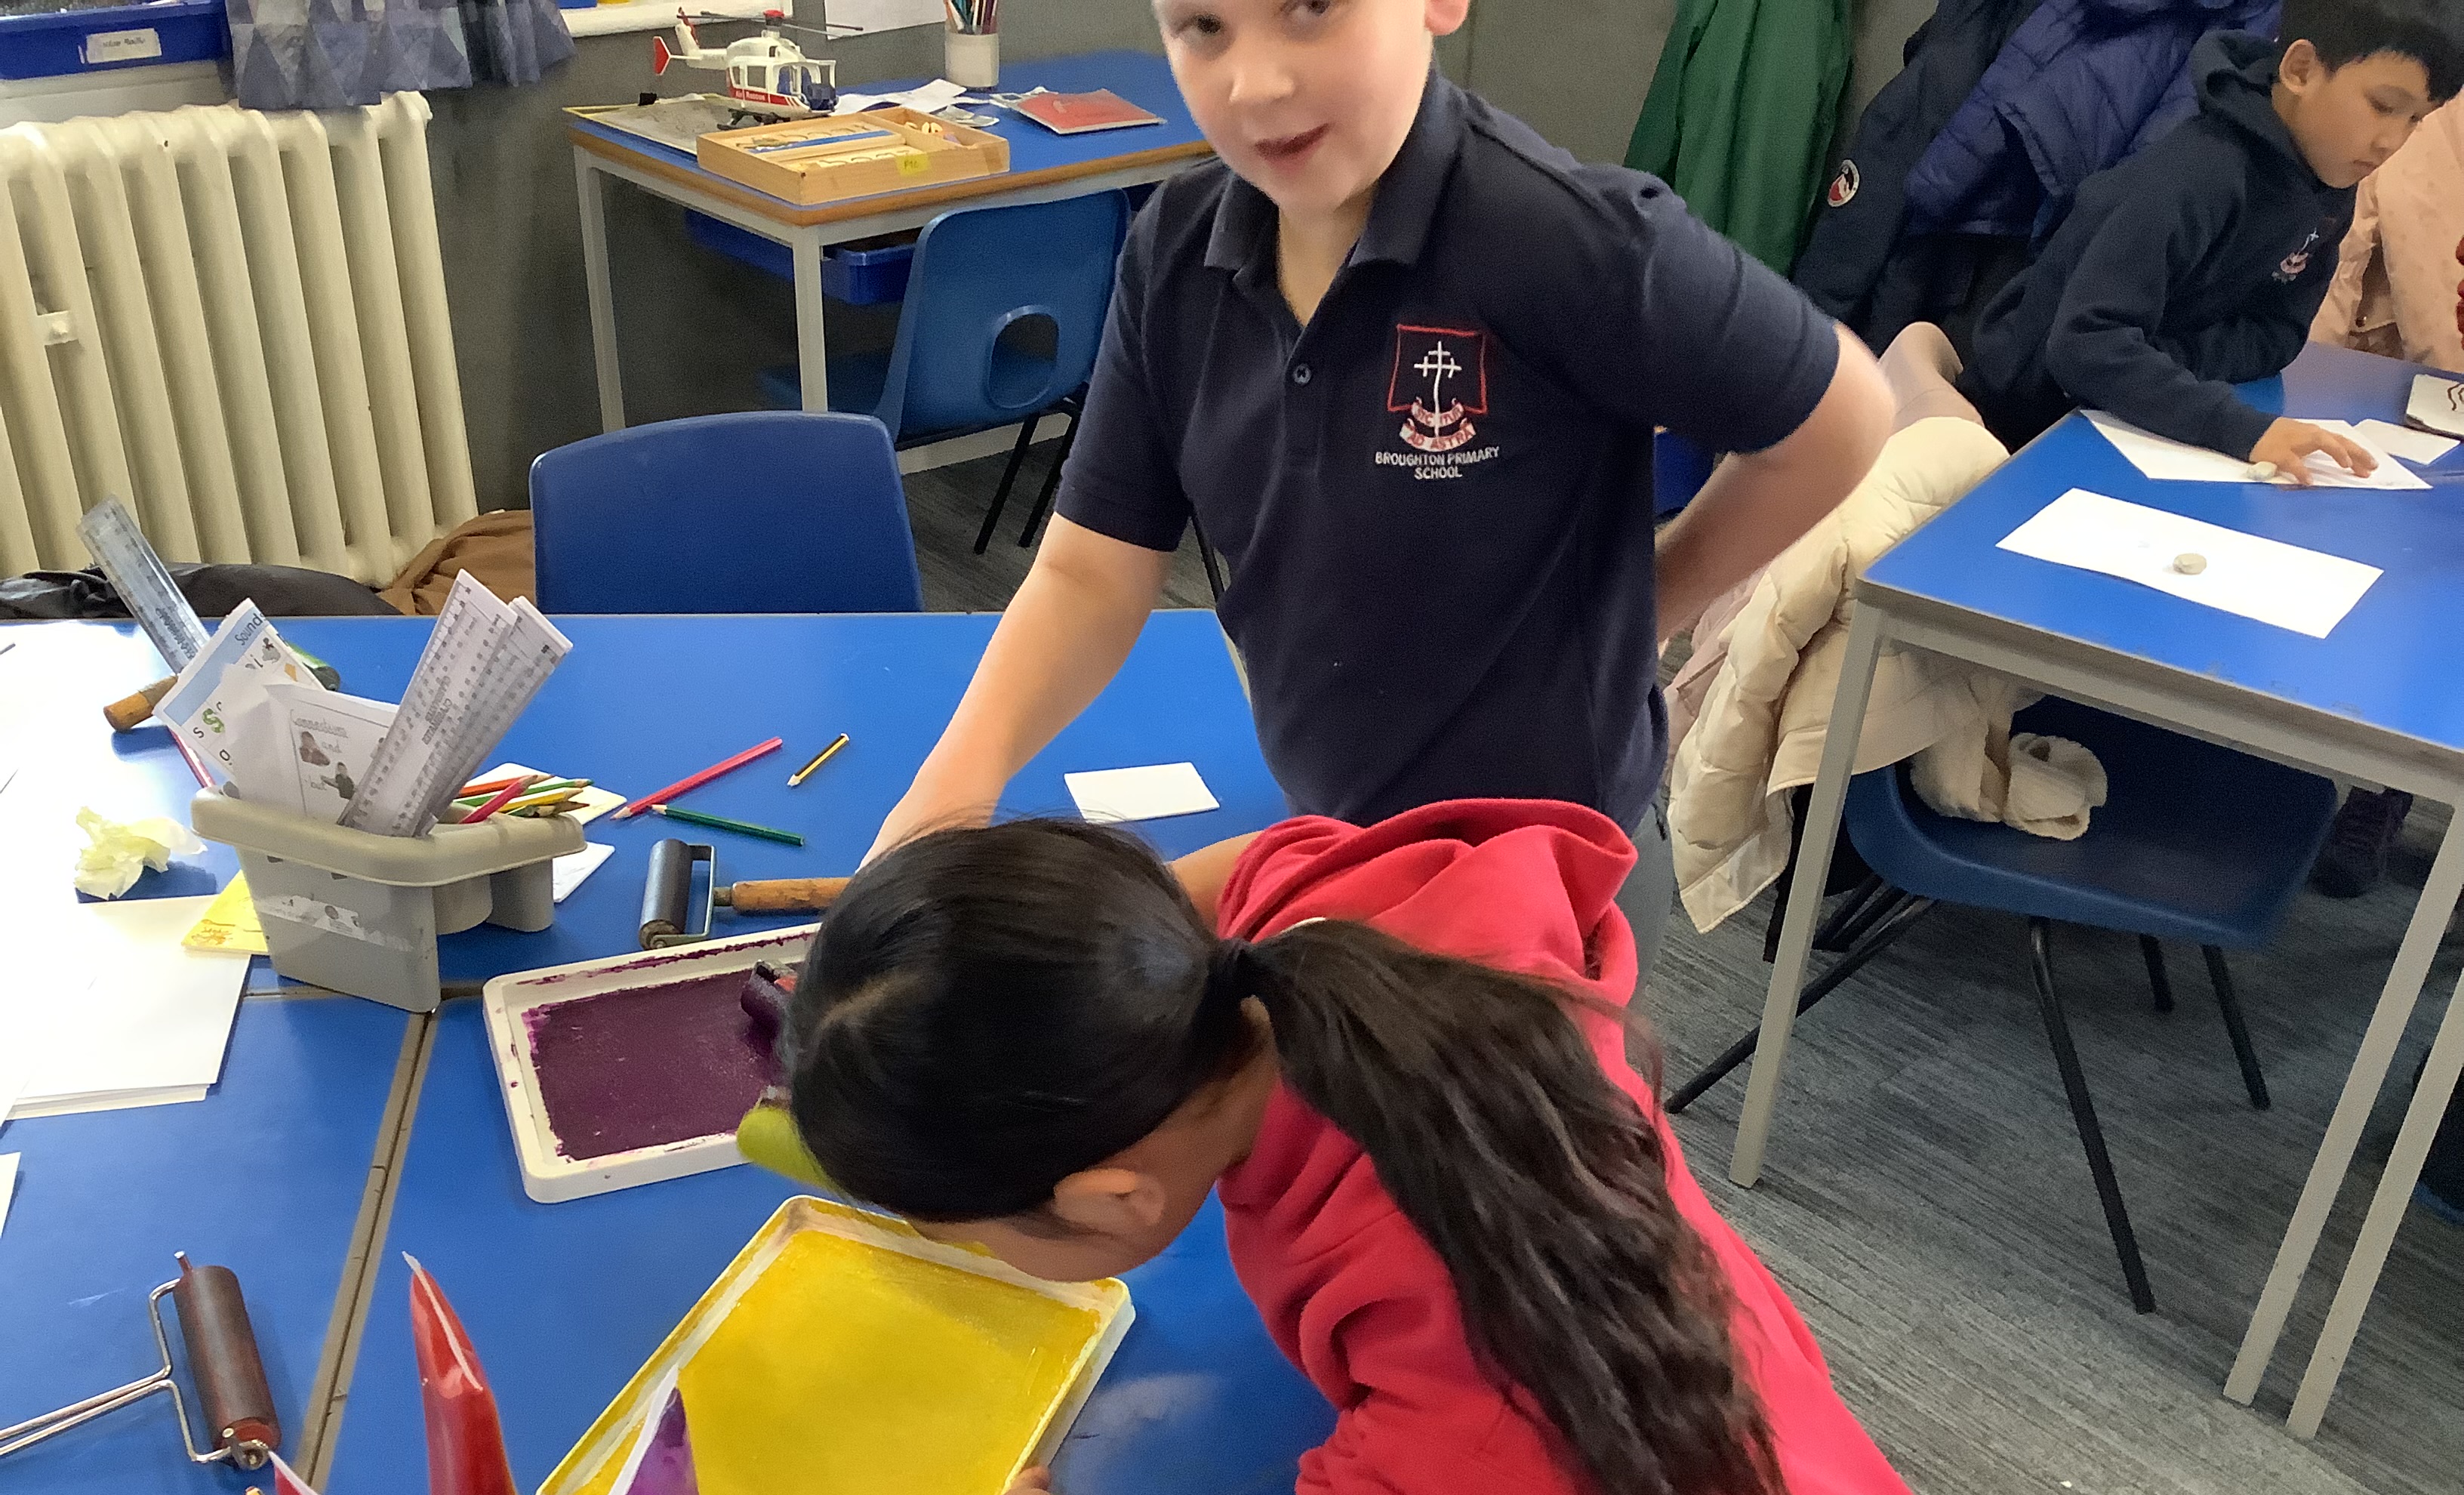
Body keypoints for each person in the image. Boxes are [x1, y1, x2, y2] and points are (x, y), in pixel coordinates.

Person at [776, 800, 1954, 1495]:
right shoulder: (1302, 933)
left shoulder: (1461, 1291)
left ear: (1109, 1200)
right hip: (1773, 1484)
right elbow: (1243, 862)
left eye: (974, 1235)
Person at [868, 0, 1895, 988]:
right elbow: (1092, 573)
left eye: (1313, 6)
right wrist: (950, 791)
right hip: (1338, 836)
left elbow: (1842, 417)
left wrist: (1642, 608)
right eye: (1203, 27)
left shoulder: (1566, 238)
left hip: (1534, 883)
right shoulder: (1175, 252)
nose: (1255, 82)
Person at [1956, 0, 2462, 482]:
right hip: (2019, 432)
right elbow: (2084, 345)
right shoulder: (2193, 176)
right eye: (2382, 106)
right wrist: (2236, 427)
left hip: (2133, 416)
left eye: (2416, 119)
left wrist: (2160, 361)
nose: (2392, 142)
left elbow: (2278, 335)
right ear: (2301, 69)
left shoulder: (2331, 179)